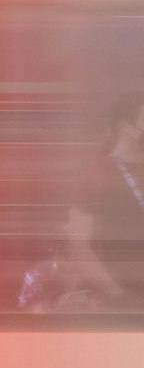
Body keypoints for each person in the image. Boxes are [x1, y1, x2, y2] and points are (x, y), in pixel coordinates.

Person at [64, 88, 144, 305]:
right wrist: (119, 297)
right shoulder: (95, 173)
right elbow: (79, 246)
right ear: (126, 127)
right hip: (126, 299)